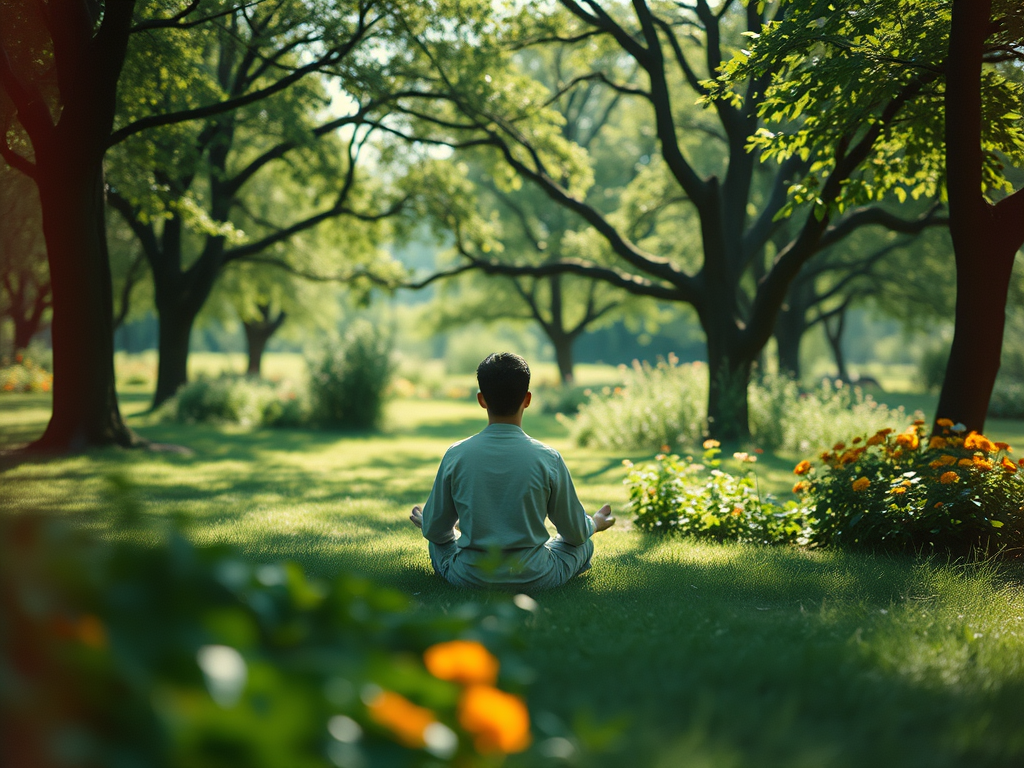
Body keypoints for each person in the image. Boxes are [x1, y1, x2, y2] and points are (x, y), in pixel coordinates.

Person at [409, 352, 615, 590]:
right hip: (536, 576)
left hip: (469, 576)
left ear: (481, 400)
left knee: (437, 543)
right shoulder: (548, 458)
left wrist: (429, 522)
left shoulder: (456, 454)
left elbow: (435, 532)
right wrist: (594, 524)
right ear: (527, 399)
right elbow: (575, 534)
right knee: (584, 544)